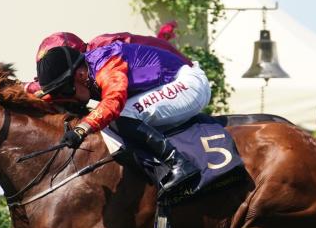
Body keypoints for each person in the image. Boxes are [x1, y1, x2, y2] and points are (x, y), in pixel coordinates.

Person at [32, 31, 211, 198]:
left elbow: (113, 101)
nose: (65, 98)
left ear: (79, 75)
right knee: (110, 125)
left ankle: (179, 164)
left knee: (120, 115)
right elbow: (42, 92)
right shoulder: (83, 72)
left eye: (65, 91)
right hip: (171, 85)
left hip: (190, 84)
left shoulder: (107, 64)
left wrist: (81, 129)